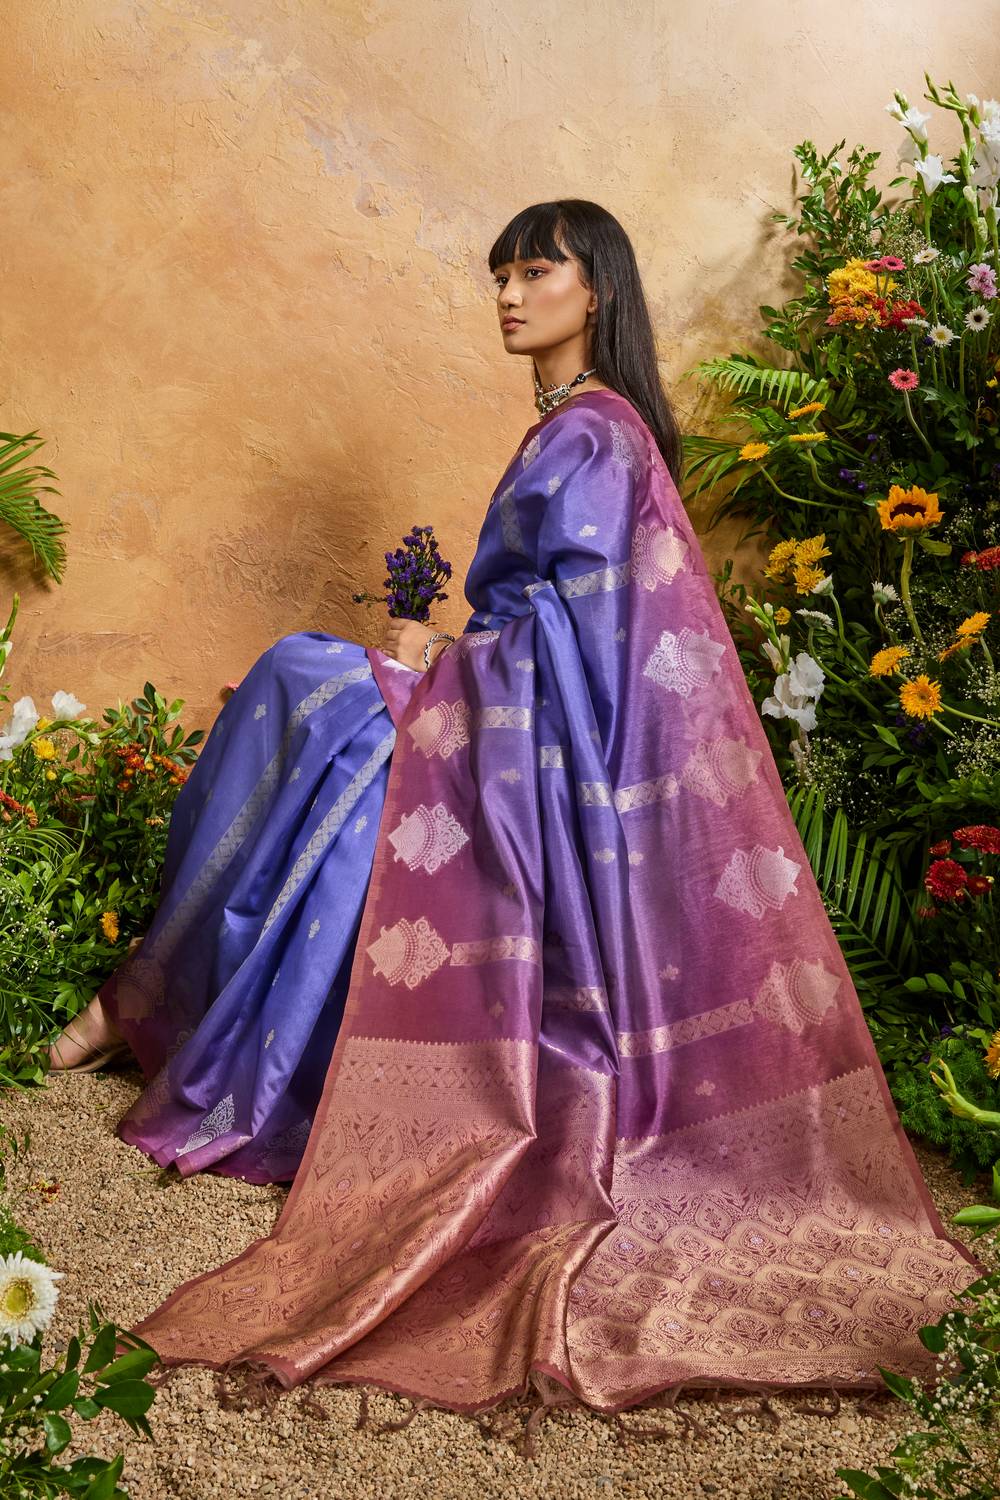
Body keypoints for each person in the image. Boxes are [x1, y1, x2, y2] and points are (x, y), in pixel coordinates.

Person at [59, 201, 978, 1413]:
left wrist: (438, 671)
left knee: (303, 689)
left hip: (530, 752)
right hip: (514, 729)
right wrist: (442, 662)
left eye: (534, 271)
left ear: (595, 290)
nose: (506, 294)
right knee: (315, 704)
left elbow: (575, 640)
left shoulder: (592, 436)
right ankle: (157, 1004)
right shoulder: (584, 429)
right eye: (498, 274)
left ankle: (144, 1003)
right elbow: (552, 623)